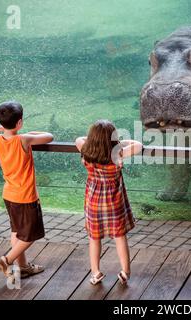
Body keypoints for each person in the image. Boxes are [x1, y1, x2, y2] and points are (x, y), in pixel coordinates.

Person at [0, 101, 54, 282]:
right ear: (20, 123)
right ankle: (6, 260)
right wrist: (30, 133)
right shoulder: (23, 139)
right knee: (31, 235)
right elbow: (49, 136)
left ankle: (23, 267)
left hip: (9, 195)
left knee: (16, 232)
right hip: (26, 197)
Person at [75, 119, 142, 285]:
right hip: (114, 203)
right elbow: (138, 145)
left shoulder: (85, 150)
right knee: (119, 237)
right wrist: (120, 143)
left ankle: (96, 272)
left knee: (94, 238)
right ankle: (125, 272)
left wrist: (94, 140)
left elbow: (78, 139)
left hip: (93, 202)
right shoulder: (117, 154)